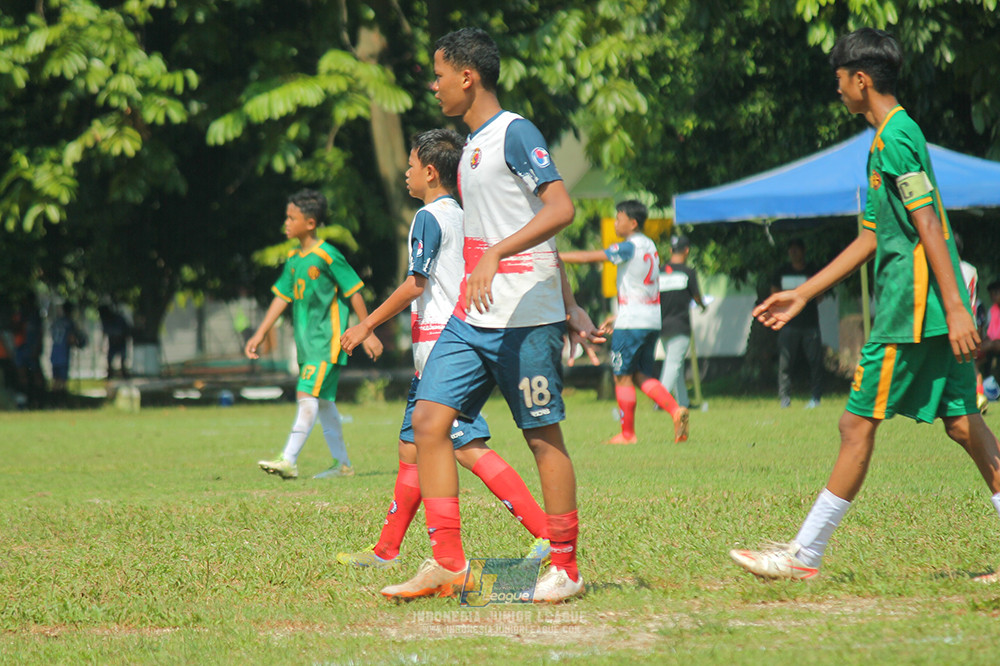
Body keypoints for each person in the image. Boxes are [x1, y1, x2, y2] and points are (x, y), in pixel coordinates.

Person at [730, 28, 1000, 581]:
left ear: (860, 79)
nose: (837, 91)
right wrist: (804, 292)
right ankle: (804, 554)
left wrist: (955, 308)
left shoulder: (896, 137)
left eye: (839, 80)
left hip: (911, 313)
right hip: (925, 309)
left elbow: (928, 223)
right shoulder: (884, 141)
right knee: (963, 424)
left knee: (855, 426)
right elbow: (872, 236)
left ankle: (804, 555)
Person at [379, 27, 603, 603]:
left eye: (439, 75)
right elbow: (522, 222)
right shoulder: (471, 147)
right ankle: (448, 564)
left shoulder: (515, 133)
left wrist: (564, 302)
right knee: (429, 422)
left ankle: (565, 568)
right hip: (471, 318)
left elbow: (559, 209)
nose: (434, 86)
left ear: (467, 76)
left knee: (541, 437)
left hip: (525, 318)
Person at [336, 128, 552, 569]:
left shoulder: (428, 217)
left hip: (442, 349)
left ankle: (546, 533)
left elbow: (416, 284)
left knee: (466, 447)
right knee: (411, 449)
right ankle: (386, 551)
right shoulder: (461, 215)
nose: (406, 173)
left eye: (411, 165)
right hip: (445, 347)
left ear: (430, 172)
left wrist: (366, 324)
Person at [245, 189, 383, 480]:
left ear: (310, 223)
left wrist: (367, 331)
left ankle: (289, 459)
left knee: (306, 393)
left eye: (291, 218)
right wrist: (260, 334)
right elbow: (281, 297)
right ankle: (342, 465)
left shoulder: (327, 255)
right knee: (323, 403)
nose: (286, 223)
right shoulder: (294, 258)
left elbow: (354, 290)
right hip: (307, 345)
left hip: (327, 342)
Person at [561, 201, 690, 445]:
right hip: (651, 320)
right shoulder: (650, 246)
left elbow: (589, 257)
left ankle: (627, 434)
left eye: (619, 218)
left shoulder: (629, 246)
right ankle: (676, 410)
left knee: (621, 376)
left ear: (632, 223)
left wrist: (555, 256)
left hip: (632, 323)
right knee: (641, 375)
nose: (615, 223)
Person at [772, 239, 824, 408]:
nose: (793, 253)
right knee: (785, 364)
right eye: (791, 250)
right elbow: (774, 295)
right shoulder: (782, 271)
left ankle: (816, 398)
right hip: (788, 325)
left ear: (803, 251)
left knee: (815, 363)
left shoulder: (812, 271)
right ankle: (784, 398)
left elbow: (820, 296)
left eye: (796, 249)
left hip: (810, 324)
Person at [657, 235, 706, 409]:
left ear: (671, 250)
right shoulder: (688, 273)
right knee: (673, 364)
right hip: (680, 325)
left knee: (676, 364)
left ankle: (683, 402)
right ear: (686, 251)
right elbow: (697, 296)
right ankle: (660, 401)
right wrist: (702, 306)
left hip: (662, 326)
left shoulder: (660, 272)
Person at [49, 303, 87, 406]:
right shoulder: (69, 323)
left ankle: (53, 401)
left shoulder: (56, 322)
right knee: (62, 381)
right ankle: (61, 402)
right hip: (63, 354)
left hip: (54, 352)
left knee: (55, 379)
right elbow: (71, 338)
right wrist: (79, 344)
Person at [98, 305, 130, 379]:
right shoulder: (106, 320)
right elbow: (105, 332)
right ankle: (111, 372)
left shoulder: (118, 319)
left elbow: (126, 330)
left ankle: (123, 372)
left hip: (121, 340)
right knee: (110, 357)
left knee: (122, 356)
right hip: (112, 341)